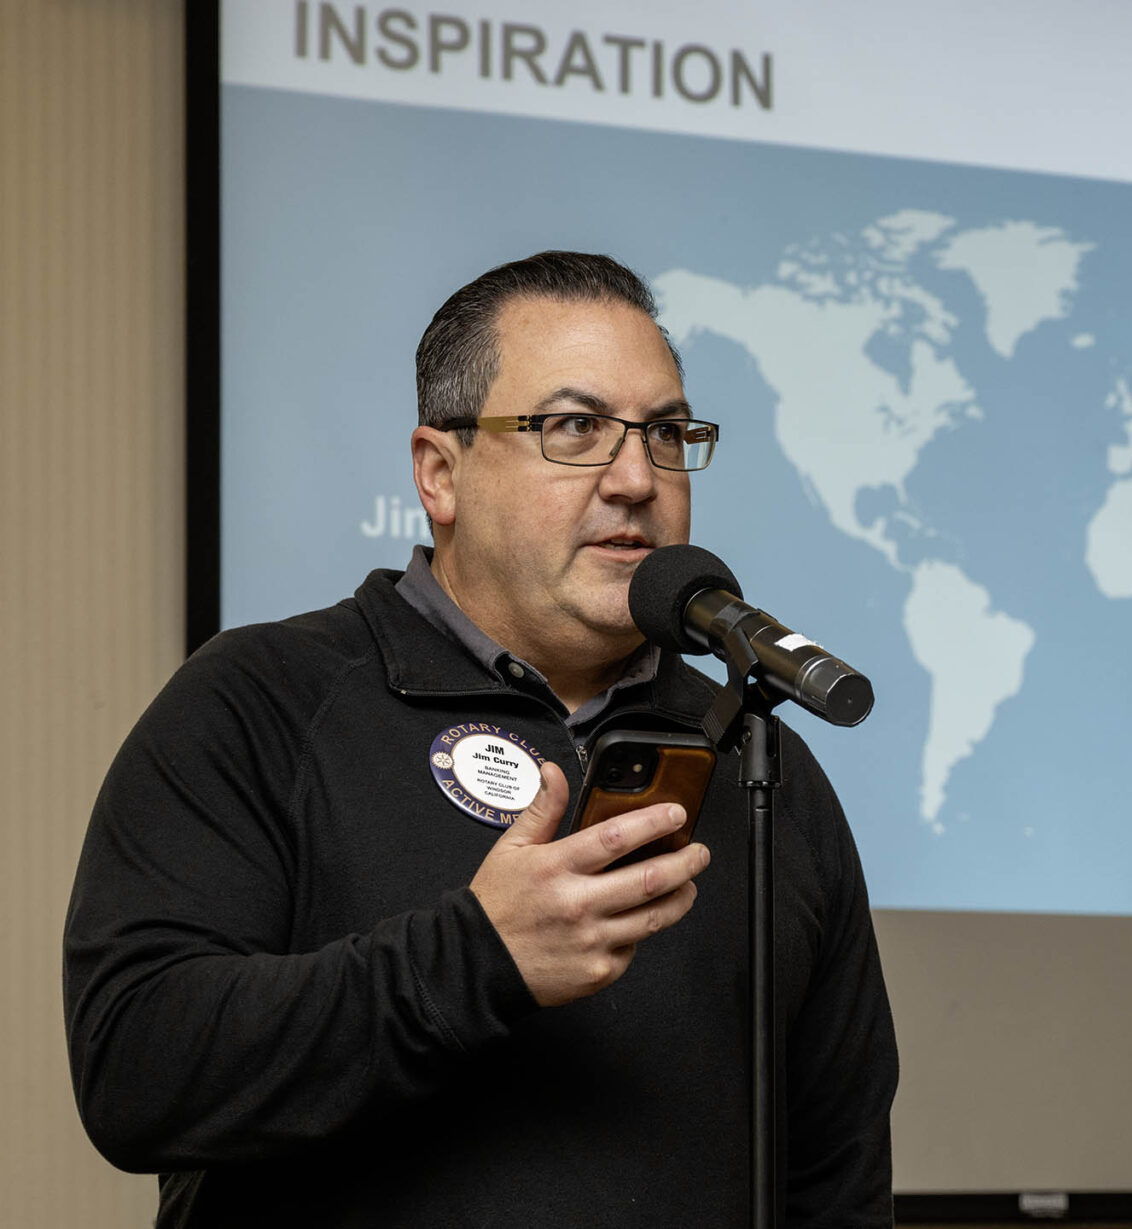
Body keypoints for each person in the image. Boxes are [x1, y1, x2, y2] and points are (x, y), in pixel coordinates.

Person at [64, 252, 898, 1227]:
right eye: (576, 427)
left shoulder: (759, 764)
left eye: (668, 433)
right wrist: (478, 957)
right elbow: (135, 1069)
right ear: (440, 473)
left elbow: (836, 1177)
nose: (638, 478)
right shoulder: (260, 701)